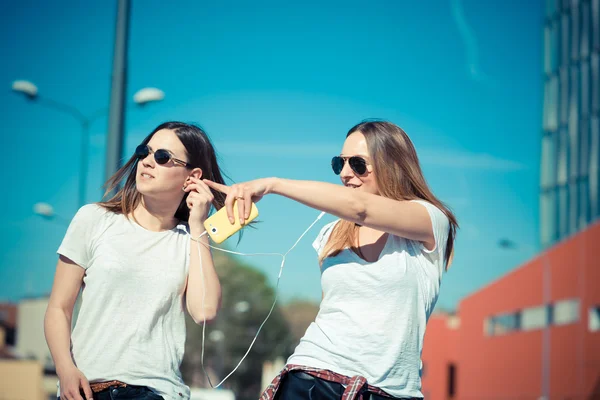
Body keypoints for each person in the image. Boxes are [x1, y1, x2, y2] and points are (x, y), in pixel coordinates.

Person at [204, 120, 458, 400]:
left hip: (387, 391)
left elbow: (360, 209)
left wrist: (273, 184)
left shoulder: (431, 219)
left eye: (358, 164)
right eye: (340, 163)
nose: (346, 173)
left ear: (392, 165)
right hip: (309, 376)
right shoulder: (331, 233)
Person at [45, 121, 227, 400]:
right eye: (145, 151)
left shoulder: (190, 239)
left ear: (193, 176)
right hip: (85, 389)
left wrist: (199, 224)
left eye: (162, 157)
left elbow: (203, 311)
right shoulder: (94, 219)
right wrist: (65, 369)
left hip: (156, 391)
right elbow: (59, 308)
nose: (147, 162)